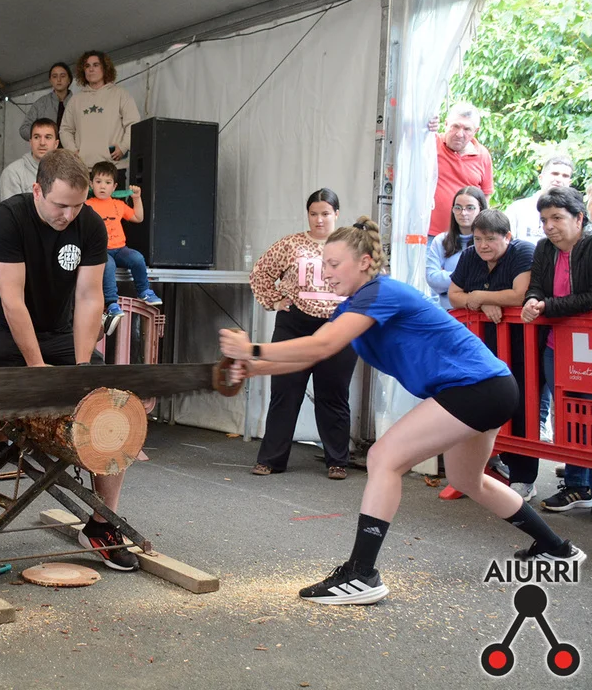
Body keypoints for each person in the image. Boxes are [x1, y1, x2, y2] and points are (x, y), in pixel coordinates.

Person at [220, 216, 584, 605]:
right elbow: (309, 356)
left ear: (364, 262)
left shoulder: (380, 292)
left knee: (383, 457)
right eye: (323, 264)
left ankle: (361, 574)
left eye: (334, 264)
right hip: (487, 387)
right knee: (467, 479)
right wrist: (253, 366)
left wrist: (252, 350)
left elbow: (320, 346)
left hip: (476, 388)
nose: (325, 273)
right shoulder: (354, 308)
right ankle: (556, 548)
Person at [0, 149, 138, 587]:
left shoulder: (89, 224)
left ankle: (101, 524)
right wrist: (37, 367)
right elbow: (12, 300)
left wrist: (79, 368)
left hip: (59, 332)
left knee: (111, 409)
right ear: (37, 190)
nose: (68, 215)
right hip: (1, 331)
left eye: (76, 206)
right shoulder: (7, 219)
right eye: (60, 205)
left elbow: (90, 297)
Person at [247, 188, 355, 479]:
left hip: (338, 327)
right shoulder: (291, 243)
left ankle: (337, 461)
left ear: (336, 214)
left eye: (325, 214)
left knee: (333, 394)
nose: (319, 220)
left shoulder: (350, 246)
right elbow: (260, 272)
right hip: (294, 325)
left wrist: (356, 313)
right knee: (285, 392)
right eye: (313, 214)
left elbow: (368, 281)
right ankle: (271, 459)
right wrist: (274, 301)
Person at [448, 210, 535, 499]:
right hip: (482, 344)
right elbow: (454, 295)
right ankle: (478, 472)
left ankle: (524, 477)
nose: (483, 245)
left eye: (490, 239)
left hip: (523, 345)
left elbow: (519, 295)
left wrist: (480, 297)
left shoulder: (523, 251)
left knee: (523, 406)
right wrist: (483, 303)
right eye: (478, 239)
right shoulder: (470, 255)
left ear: (507, 237)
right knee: (481, 403)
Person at [521, 186, 592, 514]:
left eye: (557, 218)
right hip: (556, 343)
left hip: (585, 343)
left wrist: (547, 306)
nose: (548, 226)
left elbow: (588, 297)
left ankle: (579, 482)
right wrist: (532, 300)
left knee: (585, 409)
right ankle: (578, 483)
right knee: (568, 410)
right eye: (544, 219)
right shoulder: (543, 248)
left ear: (578, 218)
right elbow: (536, 286)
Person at [87, 161, 160, 335]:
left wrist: (136, 198)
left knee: (137, 258)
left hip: (120, 248)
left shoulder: (118, 205)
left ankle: (144, 291)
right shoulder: (87, 205)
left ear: (114, 187)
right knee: (108, 266)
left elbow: (138, 217)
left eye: (107, 182)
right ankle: (112, 303)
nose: (102, 186)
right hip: (101, 250)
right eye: (98, 182)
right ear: (91, 184)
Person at [60, 50, 140, 174]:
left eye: (96, 65)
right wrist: (73, 152)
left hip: (114, 168)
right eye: (87, 66)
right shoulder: (75, 100)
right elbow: (65, 129)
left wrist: (124, 147)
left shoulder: (120, 94)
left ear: (105, 68)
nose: (91, 69)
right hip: (83, 169)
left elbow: (134, 124)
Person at [428, 102, 493, 238]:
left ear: (476, 131)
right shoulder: (431, 143)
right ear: (446, 124)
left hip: (465, 236)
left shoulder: (483, 155)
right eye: (455, 126)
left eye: (467, 129)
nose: (459, 134)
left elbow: (485, 197)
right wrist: (426, 124)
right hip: (428, 234)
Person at [426, 186, 484, 309]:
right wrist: (468, 276)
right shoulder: (441, 240)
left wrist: (447, 279)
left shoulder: (488, 242)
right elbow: (432, 278)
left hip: (481, 311)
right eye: (458, 208)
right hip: (448, 312)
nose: (463, 213)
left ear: (481, 209)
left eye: (470, 208)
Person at [506, 156, 573, 244]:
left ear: (569, 183)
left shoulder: (573, 214)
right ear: (540, 179)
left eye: (565, 176)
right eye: (555, 174)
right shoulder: (517, 209)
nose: (559, 179)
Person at [1, 118, 58, 200]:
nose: (42, 143)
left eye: (48, 137)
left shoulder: (66, 171)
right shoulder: (13, 173)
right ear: (30, 142)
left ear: (56, 144)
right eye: (37, 137)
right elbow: (12, 208)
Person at [18, 62, 73, 141]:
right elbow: (24, 129)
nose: (59, 80)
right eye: (54, 76)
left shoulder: (77, 102)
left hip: (71, 148)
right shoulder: (40, 103)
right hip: (46, 148)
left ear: (69, 80)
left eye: (63, 76)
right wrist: (41, 138)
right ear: (50, 80)